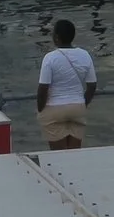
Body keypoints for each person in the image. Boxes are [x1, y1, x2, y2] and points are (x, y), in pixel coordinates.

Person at [35, 19, 97, 150]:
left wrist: (41, 109)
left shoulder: (50, 58)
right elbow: (92, 85)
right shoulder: (85, 55)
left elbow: (43, 89)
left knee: (59, 155)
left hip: (54, 109)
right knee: (73, 154)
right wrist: (82, 103)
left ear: (57, 37)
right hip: (77, 107)